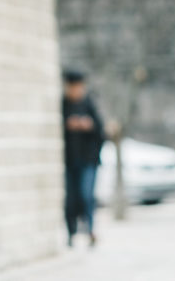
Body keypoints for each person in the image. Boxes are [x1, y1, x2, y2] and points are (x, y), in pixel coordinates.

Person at [62, 68, 105, 247]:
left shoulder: (89, 105)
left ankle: (90, 230)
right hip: (70, 161)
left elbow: (101, 132)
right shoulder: (64, 106)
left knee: (86, 195)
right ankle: (71, 233)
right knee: (71, 198)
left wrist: (89, 126)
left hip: (88, 161)